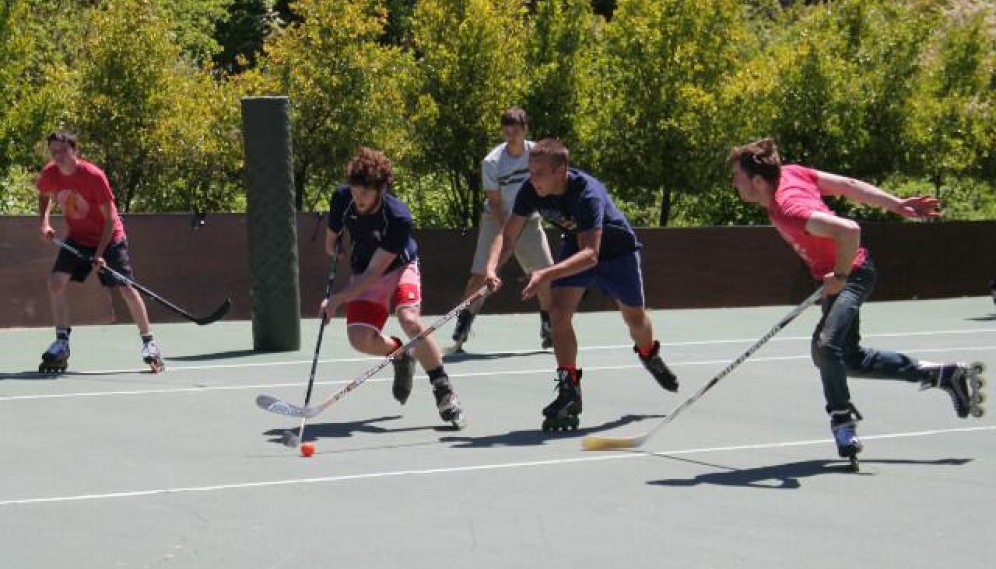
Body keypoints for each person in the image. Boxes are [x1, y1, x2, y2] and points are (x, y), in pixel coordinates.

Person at [729, 138, 987, 464]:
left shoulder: (789, 208)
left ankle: (842, 421)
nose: (733, 183)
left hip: (852, 273)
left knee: (825, 347)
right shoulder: (792, 174)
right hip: (838, 275)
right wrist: (896, 204)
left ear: (757, 181)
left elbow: (848, 231)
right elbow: (849, 186)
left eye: (736, 176)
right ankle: (942, 375)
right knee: (848, 358)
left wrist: (838, 276)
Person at [484, 138, 678, 431]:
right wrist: (491, 268)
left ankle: (649, 353)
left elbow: (591, 255)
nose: (532, 178)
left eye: (539, 172)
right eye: (530, 170)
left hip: (616, 254)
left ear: (561, 170)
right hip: (576, 248)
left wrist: (545, 273)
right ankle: (569, 392)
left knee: (635, 320)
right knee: (558, 313)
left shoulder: (588, 194)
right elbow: (508, 234)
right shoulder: (530, 190)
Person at [322, 146, 465, 427]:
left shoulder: (398, 217)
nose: (358, 197)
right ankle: (401, 356)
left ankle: (444, 390)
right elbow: (331, 240)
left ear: (380, 189)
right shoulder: (342, 198)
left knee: (409, 319)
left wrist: (338, 299)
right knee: (359, 340)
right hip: (363, 269)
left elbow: (376, 272)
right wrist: (334, 248)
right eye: (355, 190)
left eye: (365, 192)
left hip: (399, 268)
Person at [35, 129, 164, 373]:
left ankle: (150, 343)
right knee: (55, 282)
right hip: (78, 238)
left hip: (110, 237)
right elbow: (44, 195)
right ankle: (62, 343)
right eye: (54, 152)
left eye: (63, 151)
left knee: (126, 287)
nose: (59, 156)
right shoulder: (51, 173)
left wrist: (101, 253)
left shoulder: (94, 176)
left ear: (75, 150)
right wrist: (44, 222)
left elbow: (110, 221)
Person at [451, 107, 554, 352]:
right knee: (480, 276)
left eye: (515, 132)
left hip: (529, 222)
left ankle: (548, 324)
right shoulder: (492, 161)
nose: (511, 137)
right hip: (496, 220)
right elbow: (496, 202)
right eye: (506, 132)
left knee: (547, 274)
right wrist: (508, 234)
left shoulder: (538, 154)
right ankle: (464, 321)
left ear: (525, 130)